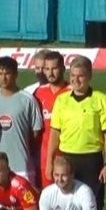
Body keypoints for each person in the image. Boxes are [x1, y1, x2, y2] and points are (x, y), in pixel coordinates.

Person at [45, 55, 106, 210]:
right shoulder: (62, 100)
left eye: (81, 76)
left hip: (91, 160)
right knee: (68, 209)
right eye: (73, 76)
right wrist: (49, 162)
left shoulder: (101, 100)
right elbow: (54, 135)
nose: (76, 80)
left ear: (89, 76)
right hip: (67, 159)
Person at [0, 57, 43, 182]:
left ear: (16, 74)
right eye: (0, 73)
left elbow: (36, 133)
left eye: (7, 73)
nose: (3, 78)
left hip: (21, 167)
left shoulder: (28, 100)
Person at [32, 51, 71, 188]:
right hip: (43, 157)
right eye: (47, 69)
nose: (50, 73)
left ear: (63, 69)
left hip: (68, 155)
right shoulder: (38, 93)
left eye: (54, 68)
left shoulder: (72, 92)